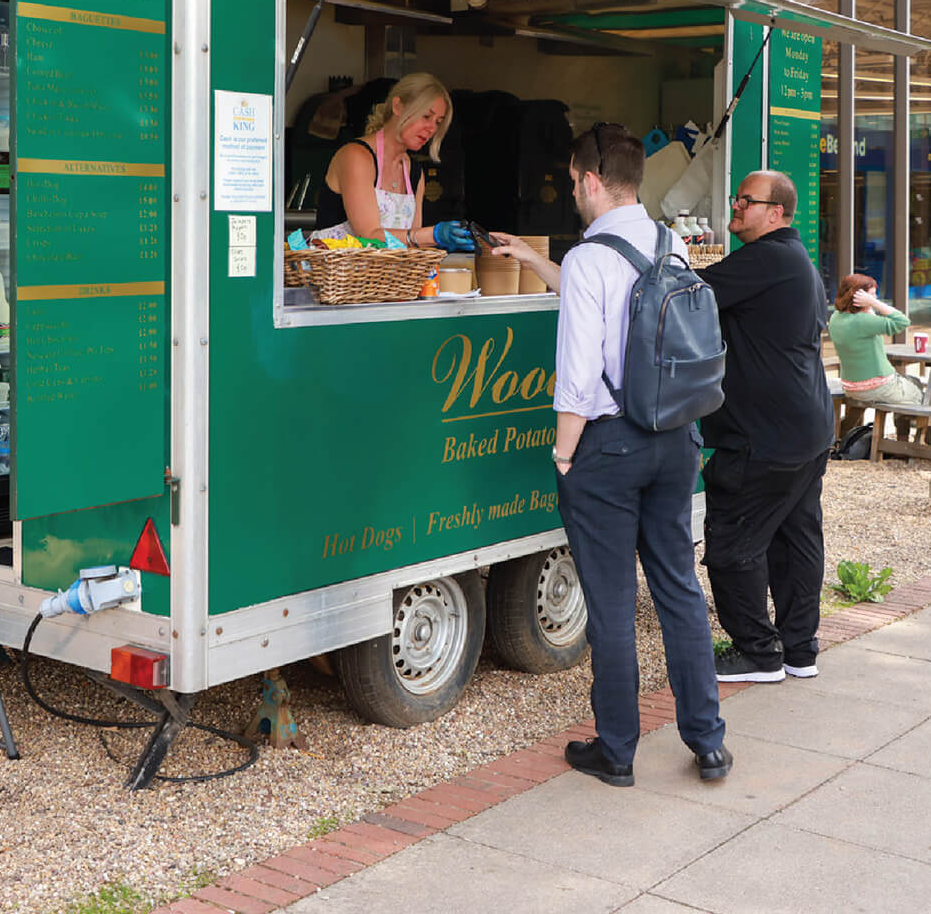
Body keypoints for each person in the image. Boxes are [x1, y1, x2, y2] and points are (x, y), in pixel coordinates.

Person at [496, 122, 729, 788]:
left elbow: (576, 377)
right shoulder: (669, 242)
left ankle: (618, 750)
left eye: (573, 181)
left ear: (592, 180)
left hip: (608, 446)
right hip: (674, 438)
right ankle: (708, 741)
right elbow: (614, 298)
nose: (572, 191)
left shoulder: (587, 259)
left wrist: (563, 455)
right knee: (679, 590)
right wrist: (533, 260)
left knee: (611, 602)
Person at [696, 172, 834, 684]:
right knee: (795, 540)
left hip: (766, 438)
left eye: (746, 200)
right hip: (806, 429)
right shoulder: (795, 259)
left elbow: (686, 293)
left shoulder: (766, 258)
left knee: (732, 543)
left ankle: (756, 652)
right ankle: (799, 650)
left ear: (775, 212)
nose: (736, 206)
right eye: (736, 197)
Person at [313, 72, 475, 251]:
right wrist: (433, 235)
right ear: (397, 107)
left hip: (386, 269)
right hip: (335, 267)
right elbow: (368, 235)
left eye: (438, 122)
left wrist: (437, 245)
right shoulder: (356, 156)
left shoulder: (414, 173)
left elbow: (412, 246)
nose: (431, 128)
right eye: (426, 116)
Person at [827, 272, 926, 407]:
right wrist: (874, 303)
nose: (875, 297)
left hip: (851, 387)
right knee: (921, 394)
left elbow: (867, 324)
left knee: (911, 381)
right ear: (858, 297)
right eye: (871, 295)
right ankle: (911, 420)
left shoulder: (835, 317)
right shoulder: (863, 321)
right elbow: (902, 321)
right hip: (878, 387)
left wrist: (868, 307)